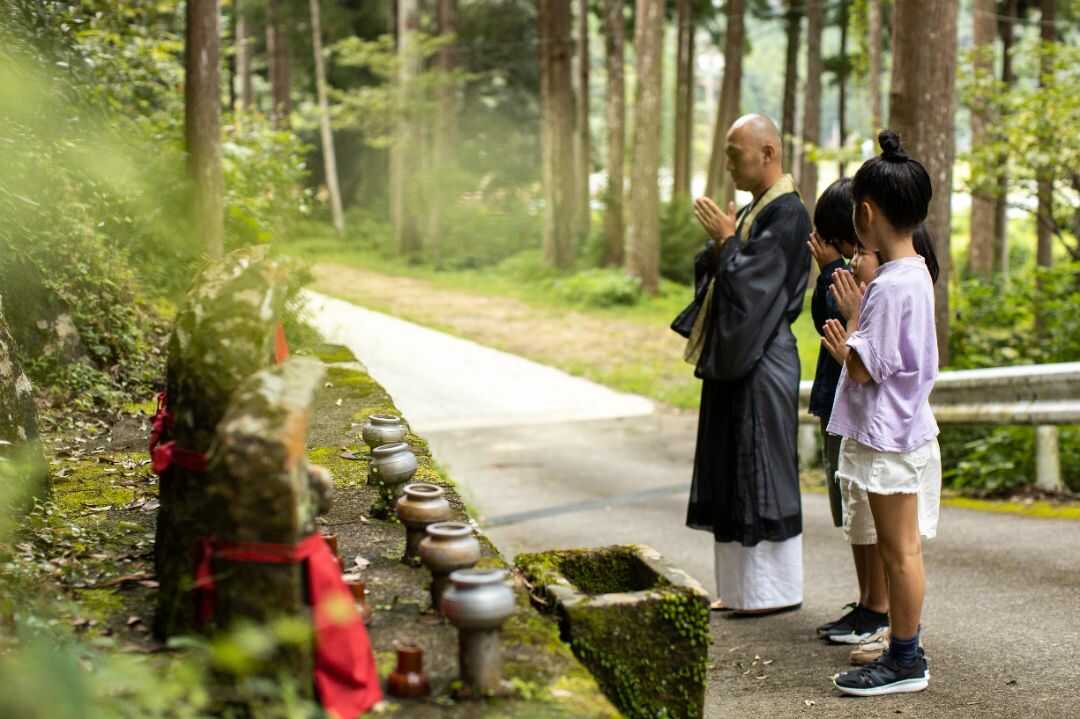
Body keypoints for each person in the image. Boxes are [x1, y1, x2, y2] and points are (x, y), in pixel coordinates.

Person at [672, 113, 811, 615]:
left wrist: (730, 243)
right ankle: (738, 589)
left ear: (768, 153)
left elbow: (757, 285)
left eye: (735, 154)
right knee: (732, 465)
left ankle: (773, 592)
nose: (728, 163)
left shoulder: (790, 214)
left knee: (761, 466)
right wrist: (723, 244)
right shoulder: (759, 210)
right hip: (740, 355)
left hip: (764, 357)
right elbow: (733, 275)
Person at [821, 130, 942, 696]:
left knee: (900, 551)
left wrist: (850, 317)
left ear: (866, 213)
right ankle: (902, 648)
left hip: (890, 435)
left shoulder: (892, 287)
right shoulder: (913, 274)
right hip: (900, 430)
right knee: (902, 549)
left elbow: (868, 368)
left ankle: (906, 657)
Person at [807, 180, 891, 654]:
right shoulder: (848, 268)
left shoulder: (865, 272)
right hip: (835, 402)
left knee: (866, 511)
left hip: (856, 405)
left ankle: (877, 607)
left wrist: (830, 272)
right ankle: (867, 602)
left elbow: (831, 322)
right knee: (852, 512)